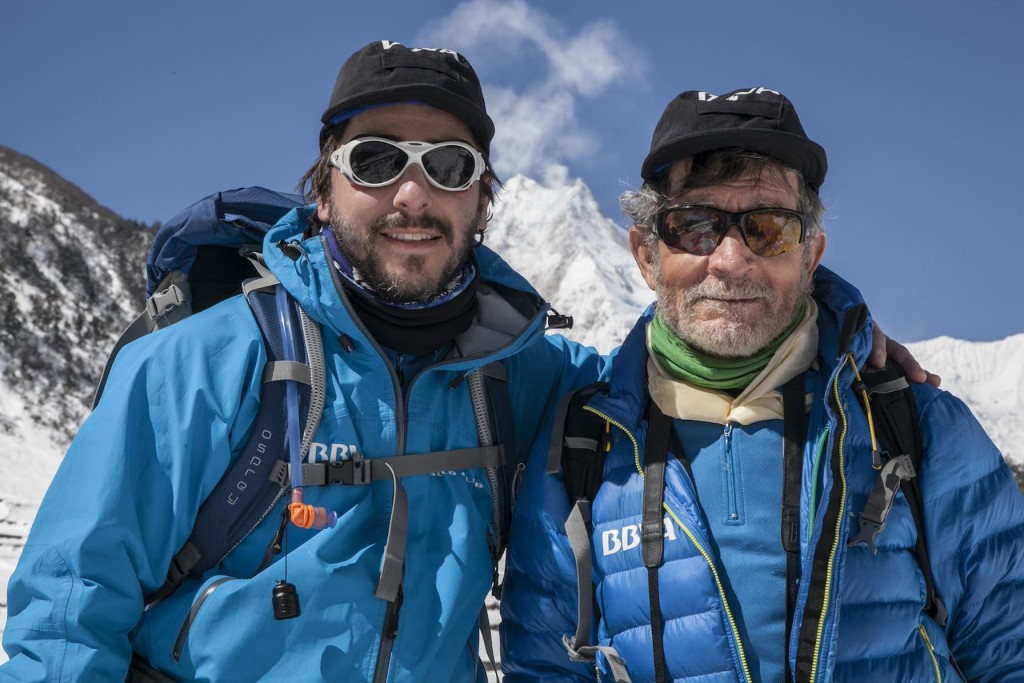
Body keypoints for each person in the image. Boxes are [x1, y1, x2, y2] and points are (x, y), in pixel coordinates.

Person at [0, 44, 925, 681]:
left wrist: (831, 317)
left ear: (485, 199)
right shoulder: (202, 364)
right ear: (322, 191)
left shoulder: (530, 377)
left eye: (448, 165)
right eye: (375, 159)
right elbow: (65, 607)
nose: (412, 193)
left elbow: (703, 337)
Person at [500, 87, 1024, 682]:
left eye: (769, 228)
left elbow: (1010, 648)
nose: (729, 260)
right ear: (646, 256)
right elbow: (545, 668)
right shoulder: (582, 448)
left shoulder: (918, 427)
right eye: (695, 226)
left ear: (810, 256)